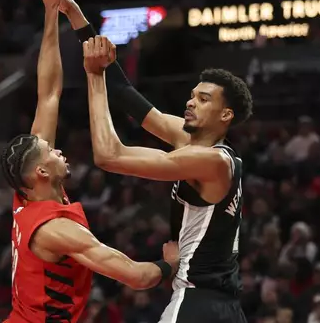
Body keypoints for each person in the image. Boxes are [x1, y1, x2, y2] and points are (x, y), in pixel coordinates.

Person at [1, 0, 180, 323]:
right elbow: (135, 276)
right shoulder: (56, 230)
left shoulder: (28, 195)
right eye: (50, 151)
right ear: (40, 173)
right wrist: (170, 265)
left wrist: (52, 13)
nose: (58, 148)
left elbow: (49, 92)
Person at [81, 34, 252, 322]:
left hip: (196, 301)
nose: (191, 102)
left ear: (225, 115)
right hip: (226, 307)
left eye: (203, 99)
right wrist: (73, 14)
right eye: (193, 95)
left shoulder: (210, 161)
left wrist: (94, 76)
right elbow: (126, 93)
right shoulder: (203, 148)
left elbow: (108, 155)